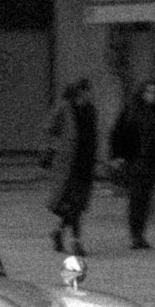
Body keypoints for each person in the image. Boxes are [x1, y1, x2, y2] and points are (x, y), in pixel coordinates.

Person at [109, 78, 155, 249]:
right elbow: (117, 133)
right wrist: (117, 156)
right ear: (142, 93)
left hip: (152, 161)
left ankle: (140, 233)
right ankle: (135, 234)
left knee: (145, 198)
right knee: (136, 197)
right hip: (134, 160)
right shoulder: (132, 110)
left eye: (154, 92)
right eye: (148, 92)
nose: (151, 95)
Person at [43, 78, 98, 256]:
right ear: (79, 92)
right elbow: (50, 127)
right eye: (86, 91)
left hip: (85, 163)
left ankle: (58, 233)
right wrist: (55, 145)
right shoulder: (65, 108)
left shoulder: (91, 110)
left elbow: (93, 135)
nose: (89, 94)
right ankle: (76, 242)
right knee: (73, 204)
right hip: (68, 164)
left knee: (77, 205)